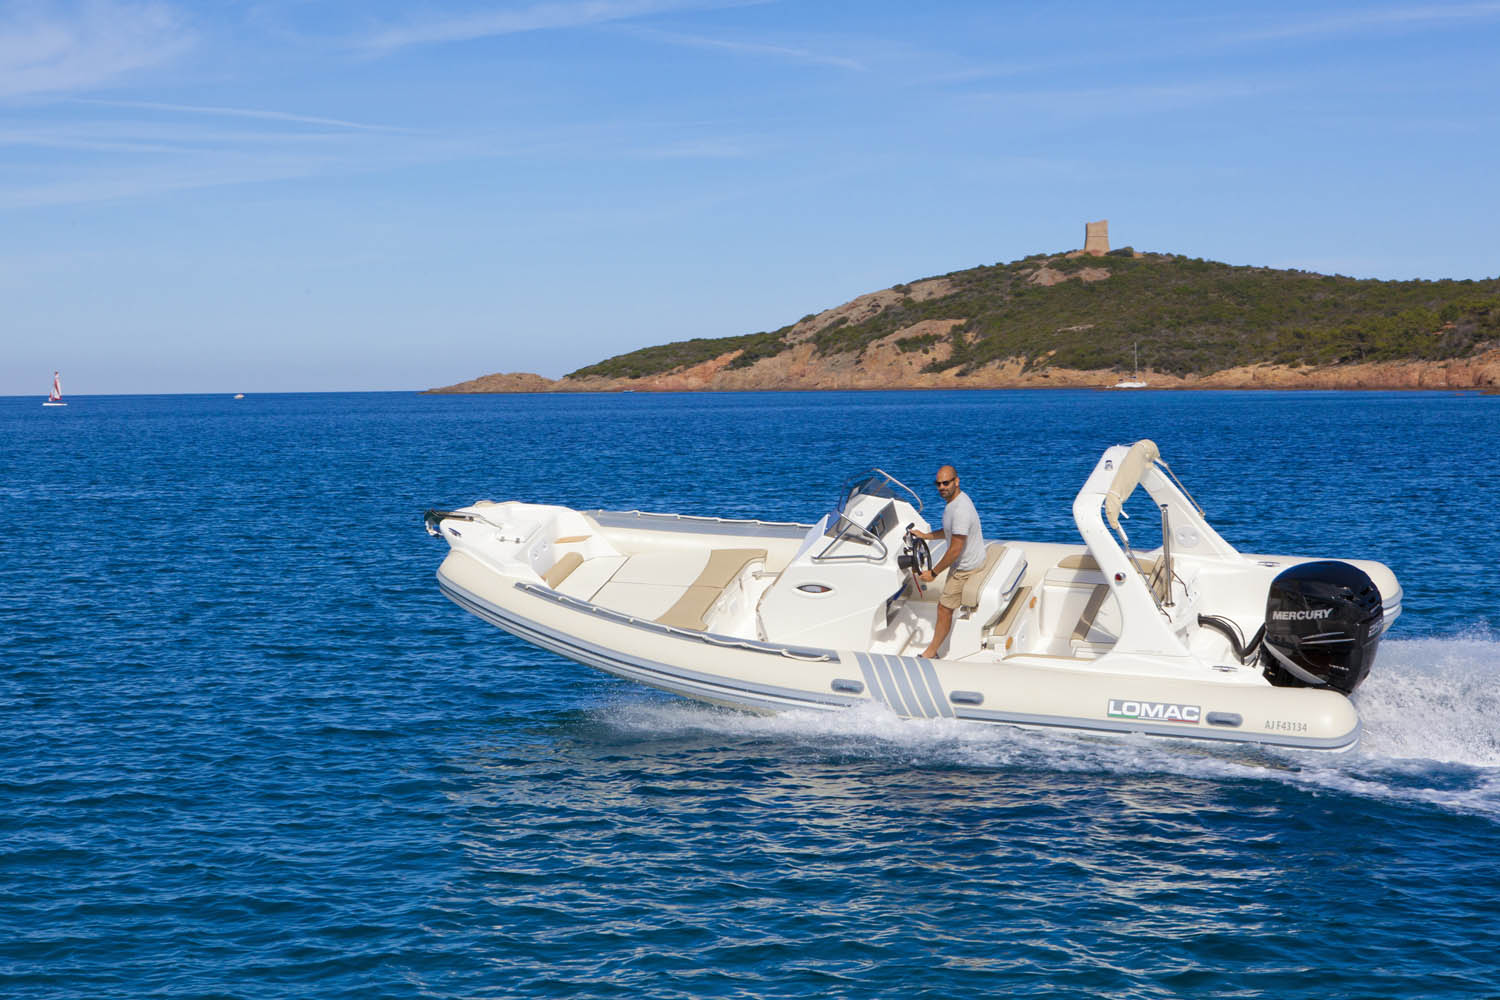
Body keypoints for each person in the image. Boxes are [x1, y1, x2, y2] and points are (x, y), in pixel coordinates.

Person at [914, 464, 985, 659]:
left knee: (944, 608)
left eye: (946, 483)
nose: (942, 487)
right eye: (938, 484)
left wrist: (933, 573)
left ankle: (931, 652)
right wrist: (927, 535)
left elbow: (955, 549)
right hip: (970, 559)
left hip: (965, 568)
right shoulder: (956, 502)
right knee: (943, 605)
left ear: (956, 481)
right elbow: (949, 532)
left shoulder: (961, 510)